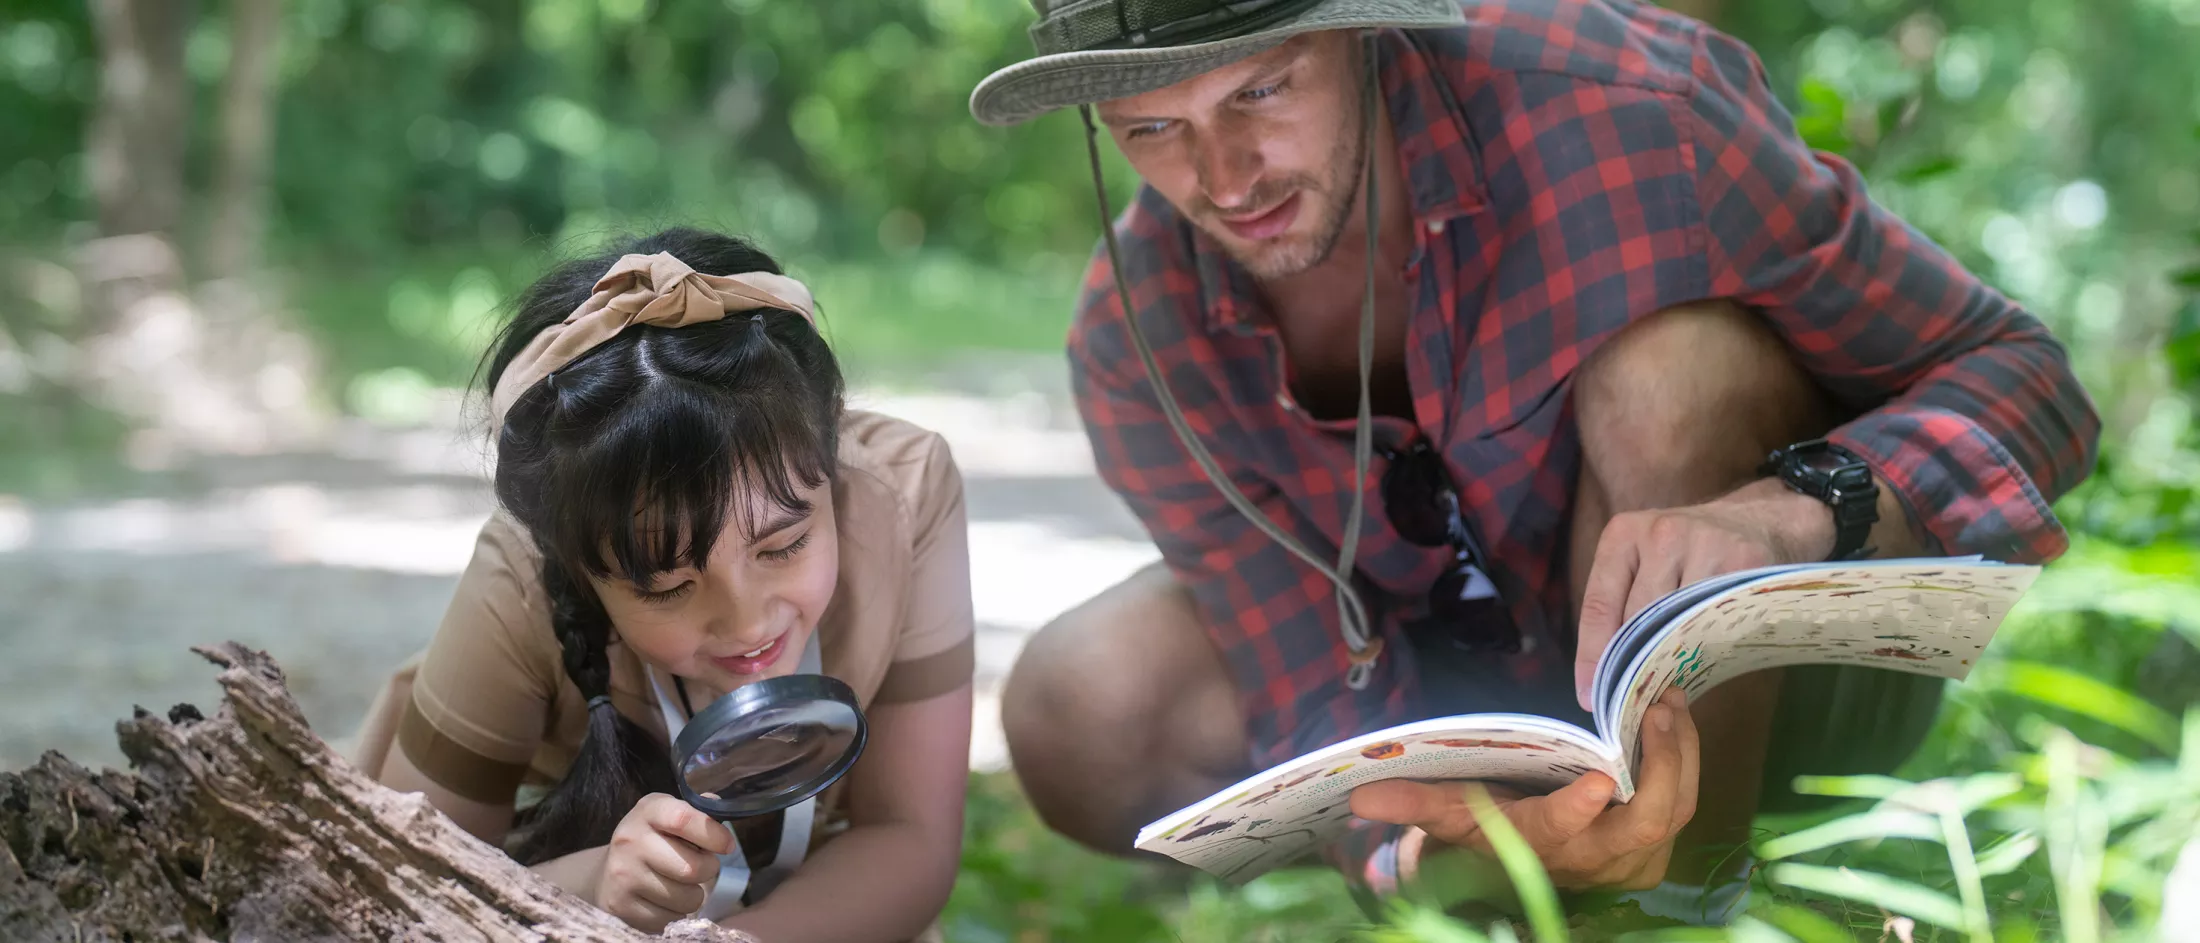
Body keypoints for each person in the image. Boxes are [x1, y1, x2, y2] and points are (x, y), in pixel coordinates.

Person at [969, 0, 2099, 919]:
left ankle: (1691, 897)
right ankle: (1521, 891)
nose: (1225, 178)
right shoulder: (1136, 337)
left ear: (1361, 28)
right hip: (1474, 745)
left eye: (1259, 90)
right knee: (1083, 694)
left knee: (1676, 371)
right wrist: (1410, 860)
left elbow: (2028, 382)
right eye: (1148, 129)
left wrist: (1789, 514)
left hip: (1785, 694)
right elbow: (1306, 687)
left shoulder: (1628, 111)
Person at [348, 228, 973, 941]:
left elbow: (911, 836)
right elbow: (393, 894)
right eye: (669, 586)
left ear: (832, 454)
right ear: (577, 566)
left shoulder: (903, 492)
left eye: (786, 545)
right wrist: (591, 885)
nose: (745, 624)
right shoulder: (519, 579)